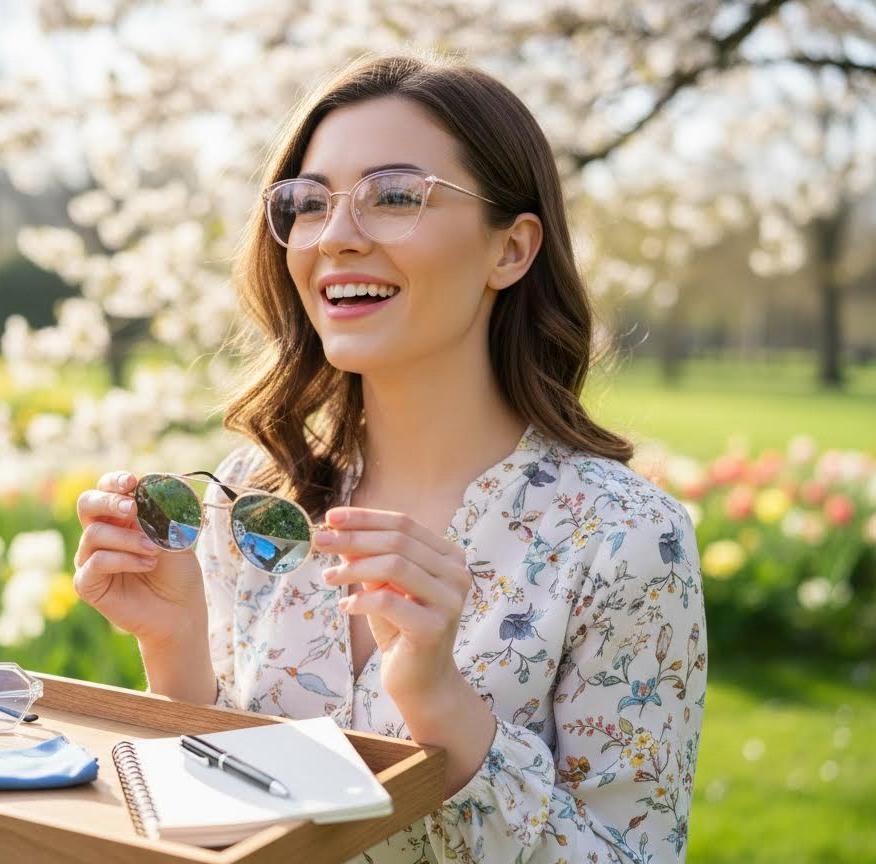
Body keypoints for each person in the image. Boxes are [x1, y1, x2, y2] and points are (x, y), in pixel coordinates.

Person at [73, 49, 707, 864]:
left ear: (510, 251)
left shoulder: (625, 537)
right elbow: (228, 822)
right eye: (309, 204)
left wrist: (445, 705)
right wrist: (174, 646)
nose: (335, 237)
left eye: (396, 196)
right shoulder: (250, 497)